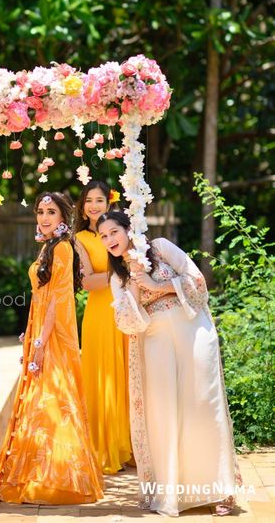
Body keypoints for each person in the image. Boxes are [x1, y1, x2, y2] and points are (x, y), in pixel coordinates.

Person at [97, 210, 241, 517]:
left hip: (193, 329)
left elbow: (198, 282)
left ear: (128, 230)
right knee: (165, 413)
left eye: (114, 232)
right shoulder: (117, 276)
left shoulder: (160, 247)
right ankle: (171, 493)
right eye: (104, 236)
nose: (110, 240)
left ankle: (219, 489)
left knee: (203, 403)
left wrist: (154, 282)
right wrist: (135, 282)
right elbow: (126, 321)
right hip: (155, 339)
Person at [0, 192, 103, 504]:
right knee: (40, 400)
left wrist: (41, 342)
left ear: (63, 218)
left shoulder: (63, 249)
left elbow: (56, 299)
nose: (44, 217)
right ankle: (35, 473)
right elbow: (41, 295)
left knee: (53, 400)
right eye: (40, 211)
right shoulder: (49, 246)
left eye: (51, 212)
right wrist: (30, 330)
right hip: (41, 328)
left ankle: (55, 480)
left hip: (56, 335)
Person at [74, 181, 133, 474]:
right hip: (100, 312)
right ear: (82, 206)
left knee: (130, 373)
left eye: (99, 200)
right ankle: (105, 445)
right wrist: (121, 267)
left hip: (130, 306)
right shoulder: (80, 239)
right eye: (89, 200)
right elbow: (86, 282)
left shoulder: (123, 229)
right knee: (105, 375)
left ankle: (132, 446)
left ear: (109, 203)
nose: (94, 205)